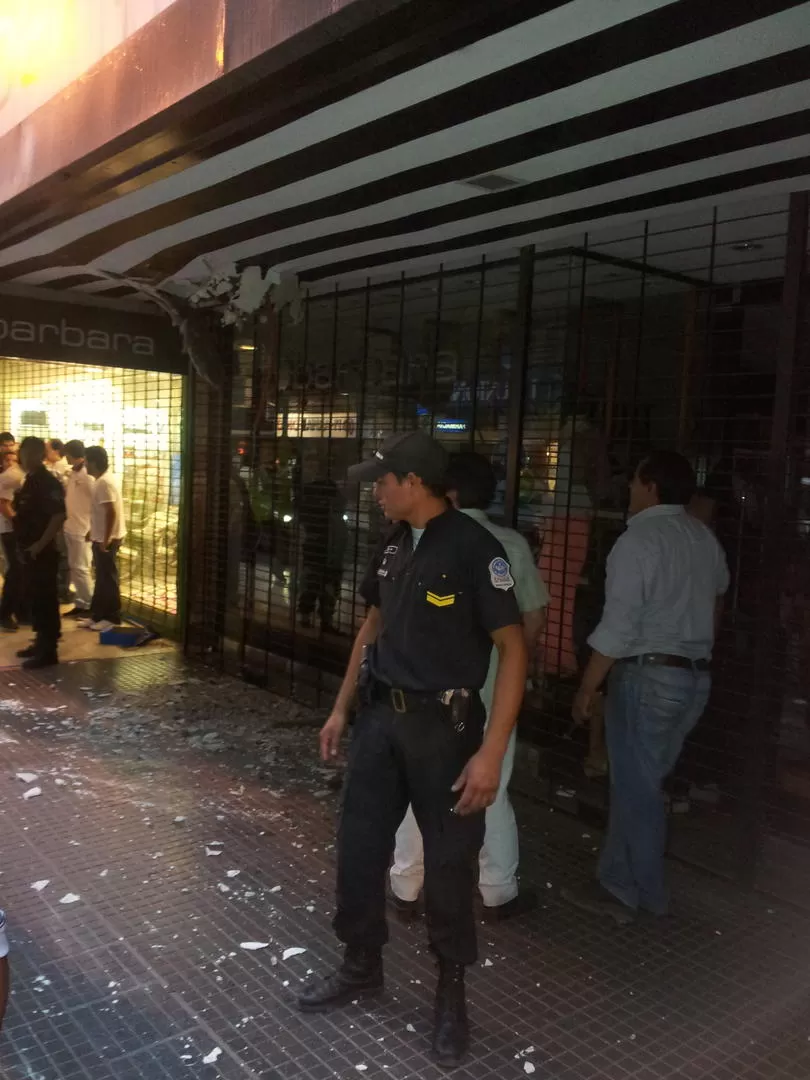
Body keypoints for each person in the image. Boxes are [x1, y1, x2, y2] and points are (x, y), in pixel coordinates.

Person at [299, 431, 527, 1068]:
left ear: (416, 483)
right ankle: (361, 963)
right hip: (380, 721)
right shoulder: (395, 543)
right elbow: (371, 628)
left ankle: (450, 996)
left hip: (447, 732)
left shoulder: (476, 550)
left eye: (384, 479)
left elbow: (514, 649)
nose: (376, 489)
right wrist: (342, 706)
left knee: (450, 870)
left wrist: (491, 752)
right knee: (359, 849)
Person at [563, 451, 729, 925]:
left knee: (637, 790)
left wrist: (586, 688)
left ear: (651, 486)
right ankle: (617, 878)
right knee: (638, 782)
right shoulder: (702, 537)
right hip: (693, 678)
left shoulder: (638, 541)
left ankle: (646, 895)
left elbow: (617, 627)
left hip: (647, 676)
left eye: (634, 481)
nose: (629, 489)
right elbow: (718, 593)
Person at [389, 451, 548, 922]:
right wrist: (512, 666)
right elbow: (533, 619)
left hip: (430, 691)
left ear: (448, 492)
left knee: (416, 785)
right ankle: (499, 890)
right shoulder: (512, 544)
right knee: (491, 785)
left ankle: (406, 886)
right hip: (496, 691)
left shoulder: (425, 541)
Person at [13, 437, 66, 669]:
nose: (22, 458)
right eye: (21, 453)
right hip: (29, 550)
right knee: (34, 597)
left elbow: (58, 516)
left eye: (27, 453)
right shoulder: (31, 480)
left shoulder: (47, 481)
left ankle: (48, 651)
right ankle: (40, 641)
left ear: (38, 455)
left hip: (41, 552)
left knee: (45, 599)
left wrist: (40, 544)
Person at [81, 446, 126, 632]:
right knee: (101, 577)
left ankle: (112, 617)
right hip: (101, 537)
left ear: (93, 462)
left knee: (107, 578)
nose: (84, 465)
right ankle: (98, 615)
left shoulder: (104, 483)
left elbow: (111, 512)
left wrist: (106, 539)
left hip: (107, 539)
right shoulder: (102, 480)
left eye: (86, 461)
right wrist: (93, 530)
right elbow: (101, 513)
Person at [298, 472, 348, 631]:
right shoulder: (328, 518)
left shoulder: (331, 517)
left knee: (318, 585)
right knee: (319, 585)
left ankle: (315, 618)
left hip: (324, 555)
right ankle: (321, 620)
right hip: (324, 554)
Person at [62, 440, 95, 618]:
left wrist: (93, 527)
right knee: (75, 567)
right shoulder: (74, 473)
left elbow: (96, 503)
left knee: (82, 568)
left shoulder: (87, 476)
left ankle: (90, 604)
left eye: (66, 453)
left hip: (83, 529)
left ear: (71, 454)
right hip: (71, 527)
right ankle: (81, 603)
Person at [0, 448, 26, 632]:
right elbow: (3, 503)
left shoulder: (19, 474)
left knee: (19, 569)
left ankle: (18, 610)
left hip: (12, 528)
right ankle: (5, 613)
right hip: (9, 529)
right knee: (17, 569)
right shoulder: (12, 477)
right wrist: (18, 523)